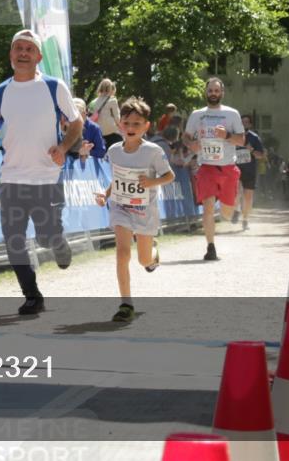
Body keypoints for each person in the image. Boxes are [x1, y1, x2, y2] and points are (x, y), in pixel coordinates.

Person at [0, 29, 82, 315]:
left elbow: (76, 122)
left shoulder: (53, 86)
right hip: (11, 178)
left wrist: (63, 147)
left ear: (38, 56)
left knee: (46, 238)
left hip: (46, 178)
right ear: (11, 55)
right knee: (13, 240)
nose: (23, 53)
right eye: (18, 48)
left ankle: (58, 242)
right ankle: (32, 296)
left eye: (29, 49)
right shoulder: (0, 92)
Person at [94, 97, 174, 322]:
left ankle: (153, 255)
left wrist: (151, 183)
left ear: (146, 126)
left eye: (137, 124)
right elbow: (118, 180)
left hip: (144, 211)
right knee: (122, 253)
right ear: (120, 125)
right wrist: (105, 194)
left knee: (144, 261)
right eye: (127, 123)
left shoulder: (153, 151)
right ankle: (126, 304)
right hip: (121, 208)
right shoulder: (114, 151)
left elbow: (169, 176)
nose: (131, 128)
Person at [183, 77, 245, 261]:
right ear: (206, 92)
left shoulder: (232, 114)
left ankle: (232, 207)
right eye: (210, 90)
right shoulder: (197, 115)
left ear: (222, 93)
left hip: (227, 167)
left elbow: (241, 140)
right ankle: (211, 247)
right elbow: (186, 137)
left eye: (217, 91)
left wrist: (226, 135)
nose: (213, 94)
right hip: (207, 167)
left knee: (226, 213)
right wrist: (191, 145)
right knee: (208, 207)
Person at [230, 114, 265, 231]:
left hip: (249, 170)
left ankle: (245, 220)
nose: (244, 124)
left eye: (246, 122)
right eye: (242, 122)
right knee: (236, 192)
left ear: (250, 124)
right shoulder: (234, 137)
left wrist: (252, 150)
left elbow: (260, 156)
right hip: (235, 169)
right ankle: (236, 210)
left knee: (248, 197)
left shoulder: (254, 138)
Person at [89, 78, 121, 147]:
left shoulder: (93, 102)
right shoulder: (113, 100)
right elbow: (117, 118)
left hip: (99, 131)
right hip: (111, 131)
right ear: (111, 88)